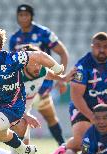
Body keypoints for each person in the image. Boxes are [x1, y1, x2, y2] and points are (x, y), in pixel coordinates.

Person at [0, 45, 76, 154]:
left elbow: (48, 74)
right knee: (20, 149)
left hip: (24, 114)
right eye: (34, 63)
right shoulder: (14, 77)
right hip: (8, 113)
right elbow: (7, 103)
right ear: (24, 64)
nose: (38, 66)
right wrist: (26, 116)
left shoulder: (40, 71)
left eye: (40, 63)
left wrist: (62, 78)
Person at [9, 4, 69, 146]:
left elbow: (63, 53)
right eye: (20, 15)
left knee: (51, 118)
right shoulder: (14, 39)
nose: (23, 18)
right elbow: (13, 65)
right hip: (24, 88)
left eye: (26, 15)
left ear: (32, 16)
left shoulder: (44, 33)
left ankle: (63, 149)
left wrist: (62, 78)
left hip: (42, 85)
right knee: (20, 125)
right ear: (17, 17)